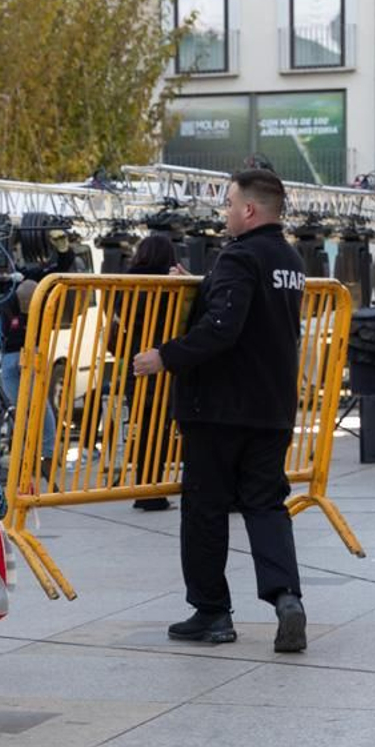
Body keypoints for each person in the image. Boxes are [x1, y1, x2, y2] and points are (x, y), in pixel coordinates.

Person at [132, 168, 308, 653]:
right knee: (267, 504)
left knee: (206, 509)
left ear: (249, 210)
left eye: (229, 203)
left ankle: (211, 612)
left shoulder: (240, 256)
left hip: (220, 408)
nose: (225, 211)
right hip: (272, 407)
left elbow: (223, 329)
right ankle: (286, 597)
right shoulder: (289, 258)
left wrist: (163, 356)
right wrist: (204, 284)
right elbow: (251, 313)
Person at [113, 236, 180, 512]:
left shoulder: (125, 284)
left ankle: (143, 488)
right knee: (162, 429)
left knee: (141, 429)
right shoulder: (167, 285)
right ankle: (155, 491)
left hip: (135, 362)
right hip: (163, 361)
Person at [0, 279, 54, 477]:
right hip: (12, 354)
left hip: (30, 351)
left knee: (38, 402)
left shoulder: (41, 302)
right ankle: (23, 455)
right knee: (16, 407)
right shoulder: (7, 303)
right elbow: (5, 330)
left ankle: (47, 453)